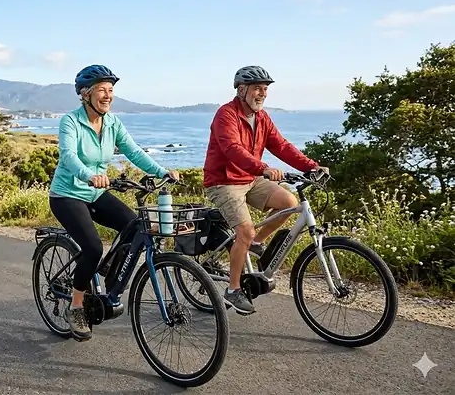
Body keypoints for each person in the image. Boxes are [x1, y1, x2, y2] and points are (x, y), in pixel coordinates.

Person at [48, 64, 180, 341]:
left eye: (111, 90)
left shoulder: (112, 123)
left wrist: (161, 171)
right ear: (85, 94)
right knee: (93, 247)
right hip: (67, 194)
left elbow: (132, 150)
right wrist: (89, 175)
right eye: (101, 90)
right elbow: (69, 156)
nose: (107, 95)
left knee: (133, 225)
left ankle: (108, 281)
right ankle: (76, 307)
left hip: (95, 193)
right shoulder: (70, 121)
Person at [202, 65, 329, 315]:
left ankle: (256, 243)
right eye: (257, 88)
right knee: (245, 231)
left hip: (250, 178)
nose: (262, 93)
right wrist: (263, 167)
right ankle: (233, 289)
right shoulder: (225, 115)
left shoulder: (261, 117)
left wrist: (311, 166)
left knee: (289, 202)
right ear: (241, 90)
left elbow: (281, 145)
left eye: (265, 89)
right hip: (224, 181)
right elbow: (232, 150)